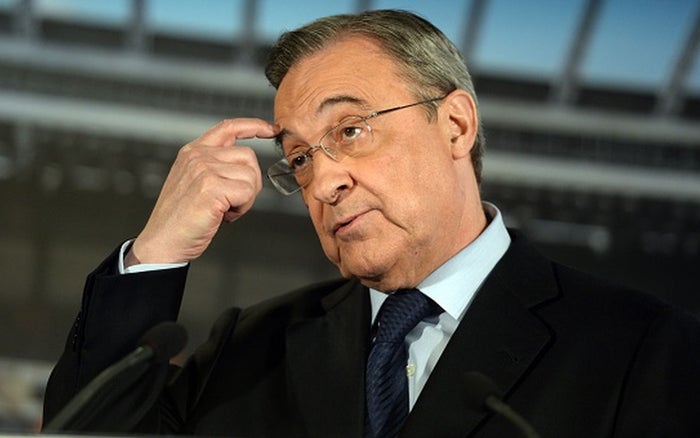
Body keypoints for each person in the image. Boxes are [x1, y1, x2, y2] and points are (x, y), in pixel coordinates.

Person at [42, 9, 700, 438]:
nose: (324, 181)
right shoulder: (249, 350)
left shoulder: (646, 349)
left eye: (351, 130)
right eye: (300, 157)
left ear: (456, 125)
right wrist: (158, 249)